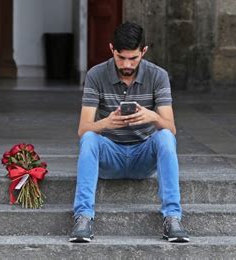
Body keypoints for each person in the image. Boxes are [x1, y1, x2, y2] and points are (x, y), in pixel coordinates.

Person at [69, 22, 189, 243]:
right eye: (120, 57)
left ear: (143, 51)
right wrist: (106, 123)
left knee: (164, 137)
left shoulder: (158, 75)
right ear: (112, 49)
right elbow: (83, 128)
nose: (126, 64)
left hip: (143, 158)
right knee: (89, 139)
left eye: (133, 58)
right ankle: (83, 217)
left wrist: (152, 117)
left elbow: (170, 128)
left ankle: (172, 217)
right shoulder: (96, 74)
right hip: (110, 157)